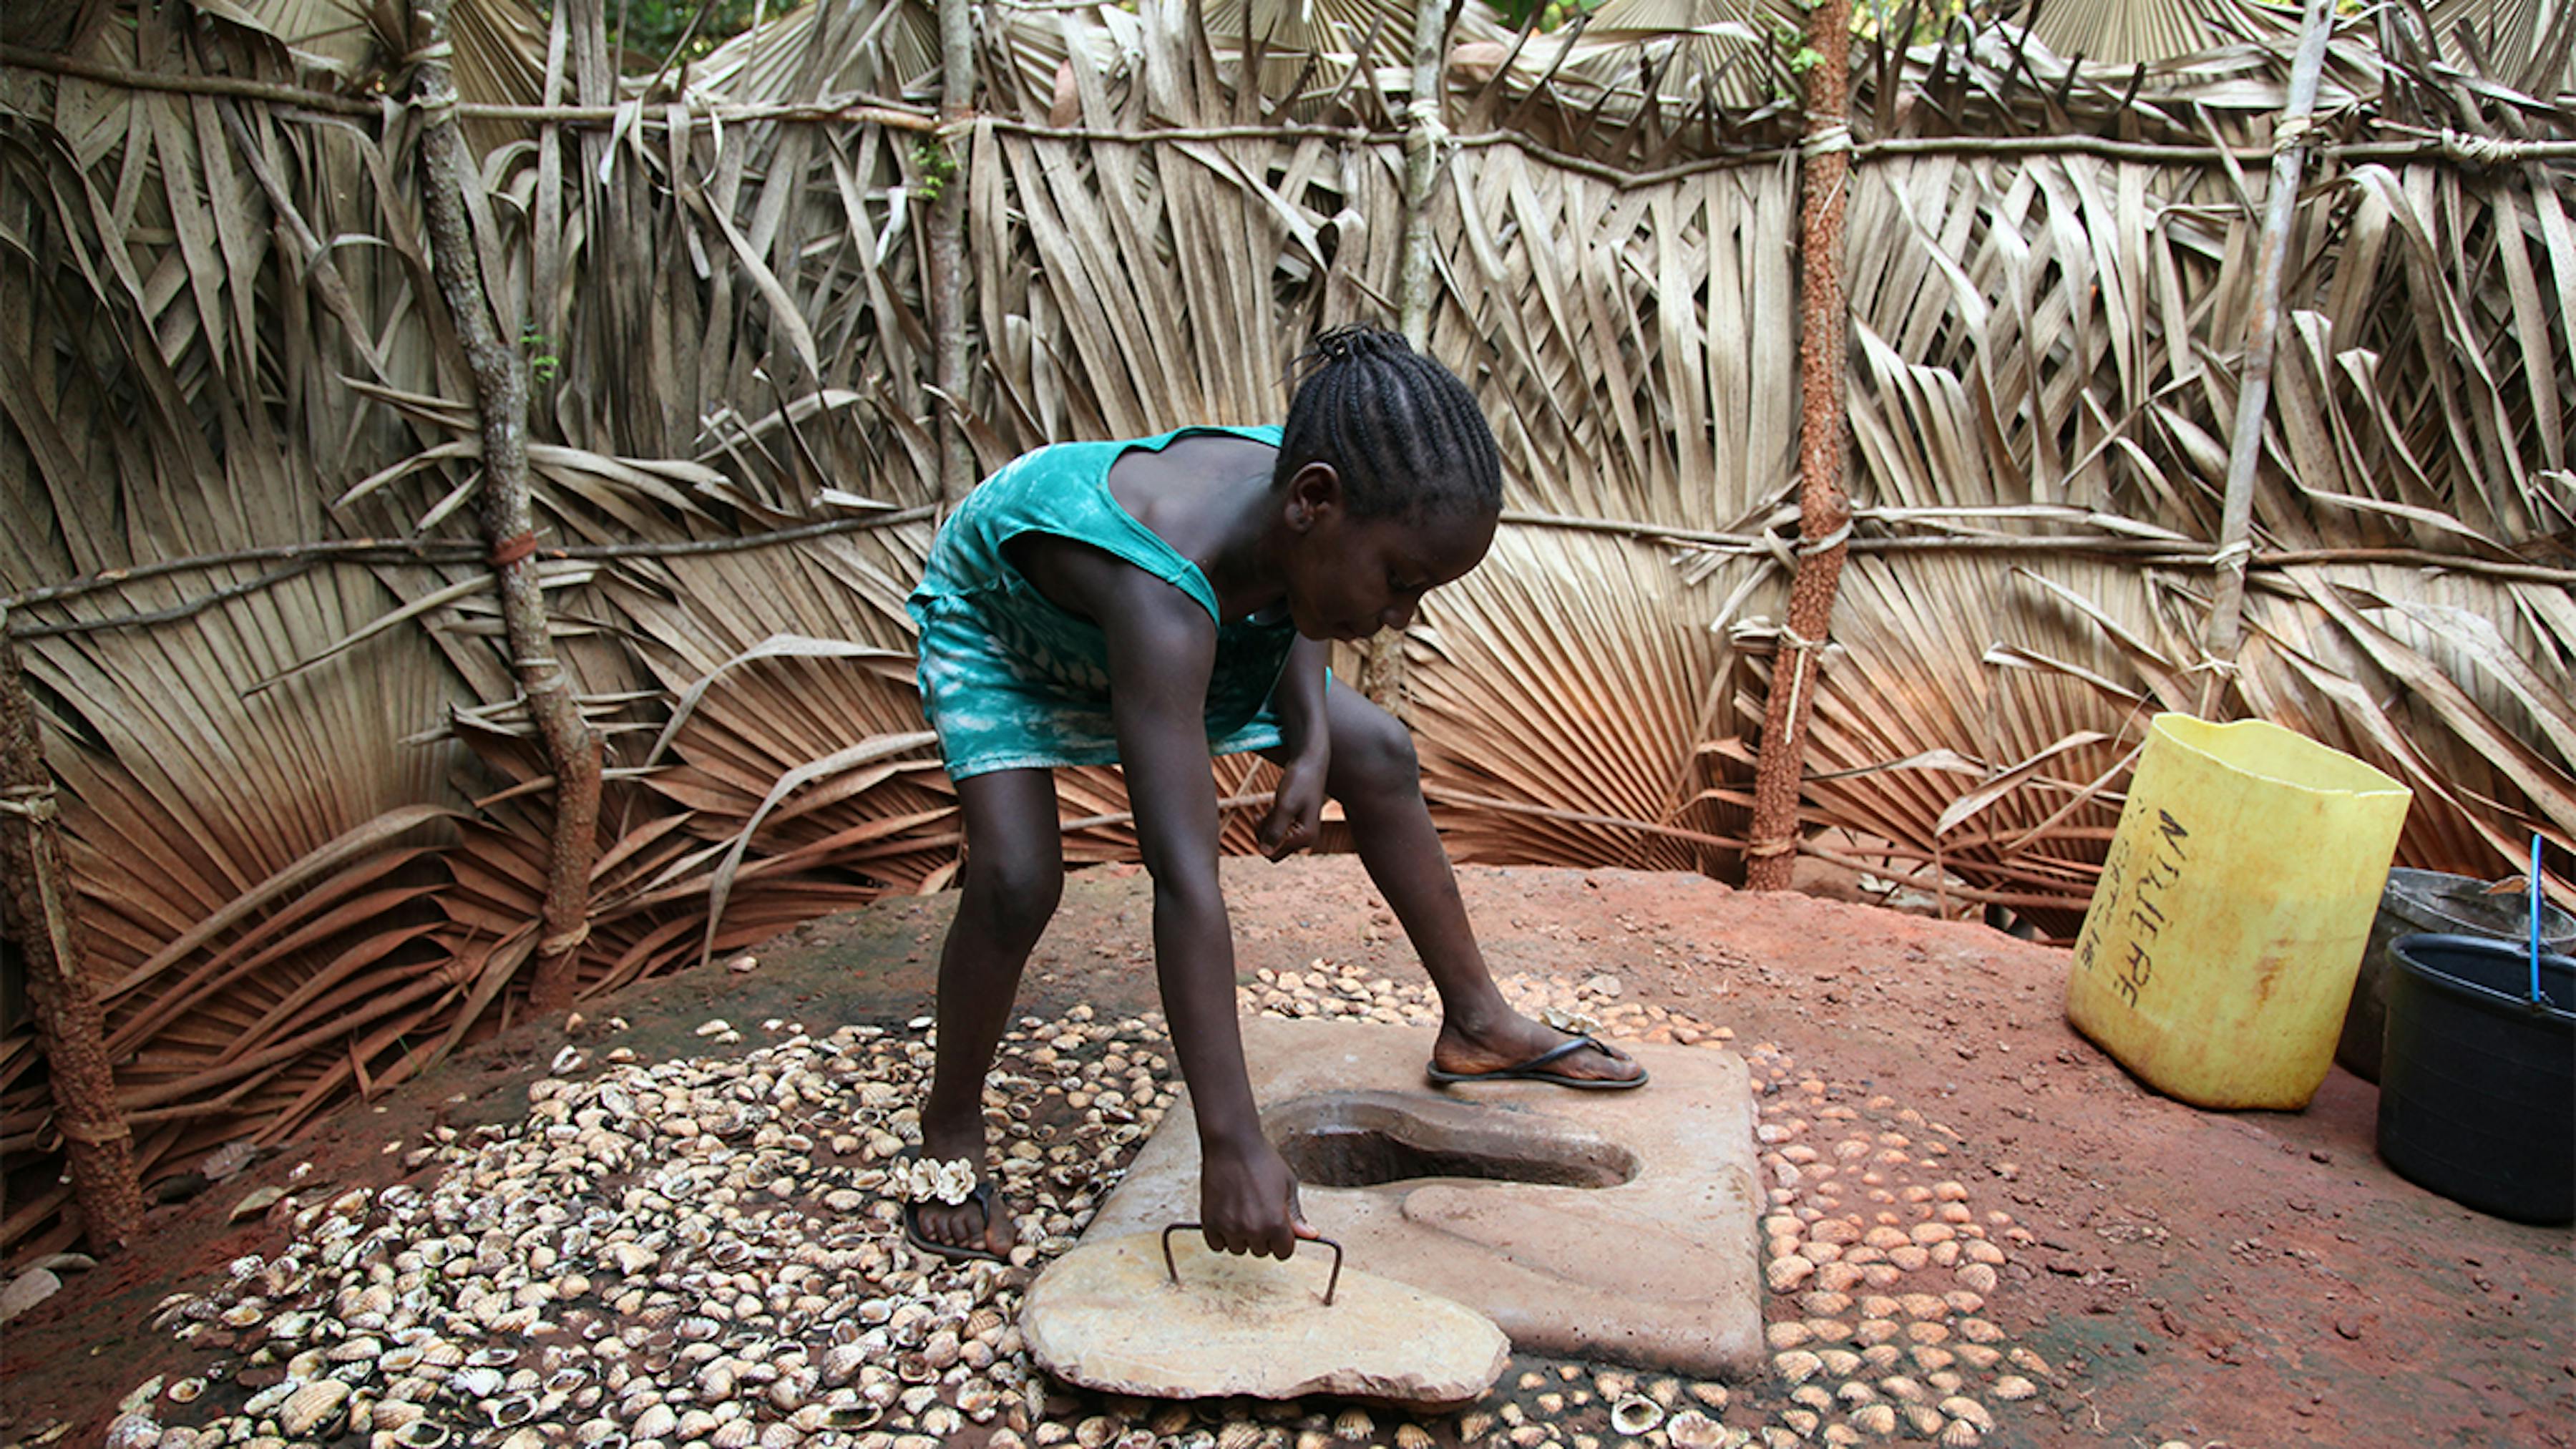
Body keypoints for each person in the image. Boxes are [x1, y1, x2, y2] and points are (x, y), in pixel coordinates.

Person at [896, 323, 1646, 1267]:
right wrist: (1233, 1139)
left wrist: (1313, 736)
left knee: (1376, 750)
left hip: (1186, 613)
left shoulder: (1320, 487)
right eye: (1401, 583)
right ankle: (951, 1122)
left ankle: (1478, 1021)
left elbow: (1296, 589)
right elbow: (1183, 877)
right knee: (1016, 878)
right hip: (1007, 624)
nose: (1400, 617)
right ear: (1312, 499)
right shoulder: (1166, 587)